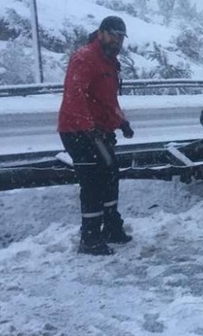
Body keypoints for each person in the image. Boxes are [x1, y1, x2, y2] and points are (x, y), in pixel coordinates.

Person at [58, 15, 135, 256]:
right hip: (77, 131)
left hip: (99, 131)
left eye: (121, 37)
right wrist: (88, 127)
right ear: (101, 33)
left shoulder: (110, 62)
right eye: (113, 35)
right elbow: (75, 95)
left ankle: (110, 227)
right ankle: (90, 238)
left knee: (110, 173)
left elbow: (108, 100)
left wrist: (122, 122)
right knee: (92, 181)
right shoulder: (85, 58)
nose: (117, 41)